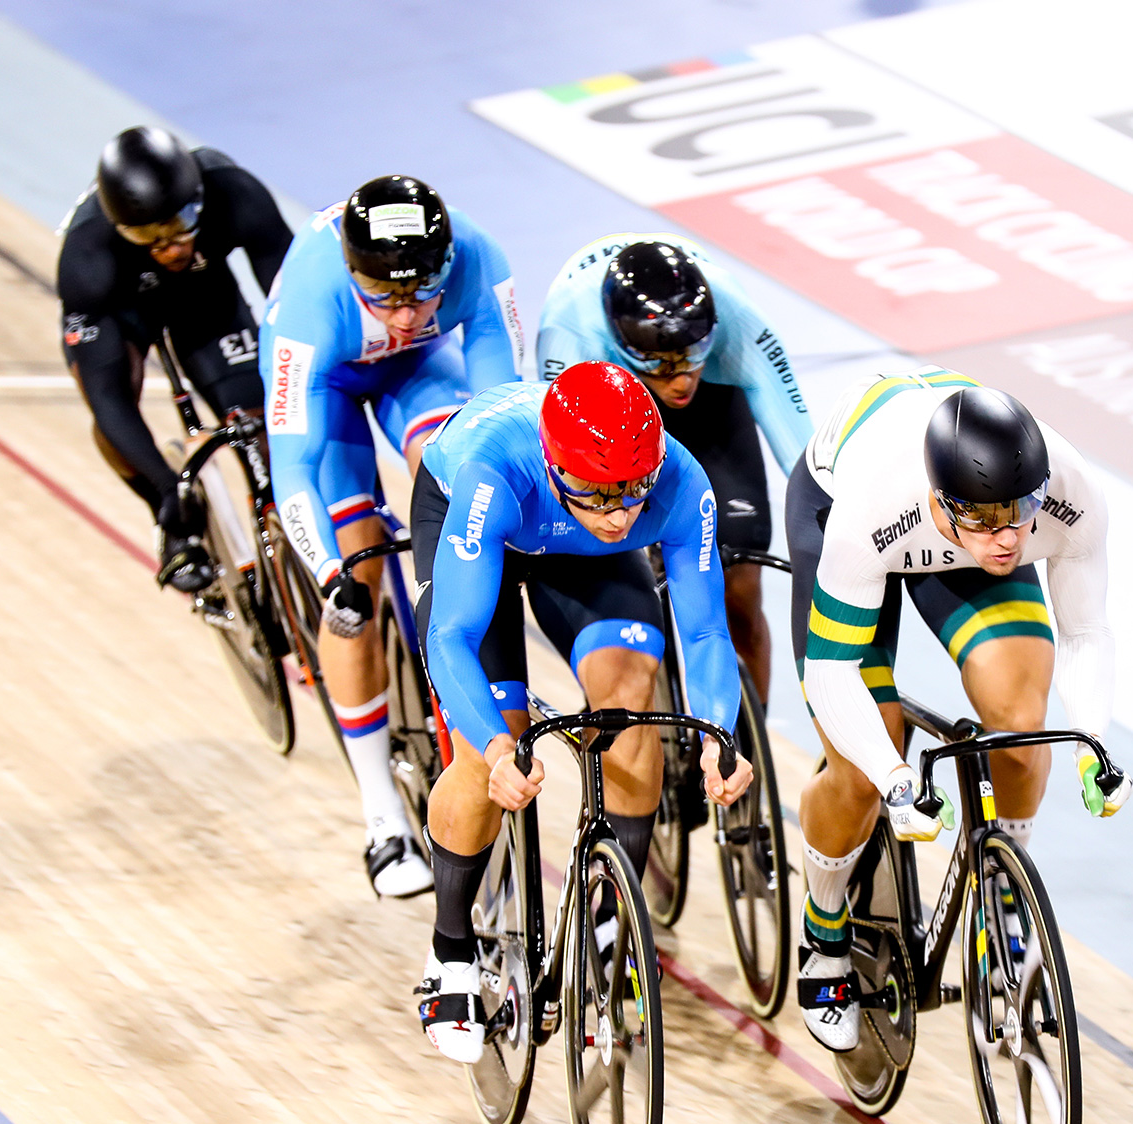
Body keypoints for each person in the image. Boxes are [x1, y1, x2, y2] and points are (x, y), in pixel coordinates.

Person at [410, 361, 755, 1063]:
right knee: (490, 749)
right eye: (603, 495)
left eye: (636, 492)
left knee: (631, 700)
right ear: (560, 466)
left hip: (579, 549)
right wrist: (497, 749)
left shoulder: (679, 484)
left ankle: (607, 913)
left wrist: (721, 731)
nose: (625, 513)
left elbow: (705, 633)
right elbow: (451, 638)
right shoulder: (493, 472)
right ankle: (450, 951)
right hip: (484, 533)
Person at [789, 370, 1131, 1053]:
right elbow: (832, 673)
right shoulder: (873, 505)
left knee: (1020, 717)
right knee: (858, 766)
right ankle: (824, 929)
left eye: (1019, 511)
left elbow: (1086, 633)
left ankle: (1003, 895)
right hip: (842, 509)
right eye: (983, 517)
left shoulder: (1067, 493)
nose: (1007, 537)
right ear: (943, 500)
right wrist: (892, 777)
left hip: (945, 533)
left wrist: (1094, 740)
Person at [260, 175, 525, 897]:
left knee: (462, 474)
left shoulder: (477, 255)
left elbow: (505, 405)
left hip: (417, 378)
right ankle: (382, 815)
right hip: (327, 387)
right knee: (360, 570)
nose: (407, 314)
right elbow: (295, 470)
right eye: (385, 298)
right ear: (353, 275)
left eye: (422, 295)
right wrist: (328, 574)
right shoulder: (313, 302)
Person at [538, 234, 811, 705]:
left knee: (740, 585)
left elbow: (806, 454)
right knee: (617, 563)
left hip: (715, 408)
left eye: (692, 356)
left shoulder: (736, 314)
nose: (683, 378)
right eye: (662, 364)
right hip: (608, 411)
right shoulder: (571, 328)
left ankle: (750, 755)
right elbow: (553, 456)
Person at [59, 126, 290, 591]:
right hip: (124, 313)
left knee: (263, 419)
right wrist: (169, 489)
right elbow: (109, 399)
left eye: (180, 225)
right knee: (112, 414)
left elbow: (297, 308)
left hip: (205, 298)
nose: (169, 246)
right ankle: (174, 529)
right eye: (148, 234)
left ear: (199, 199)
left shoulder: (235, 192)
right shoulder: (88, 254)